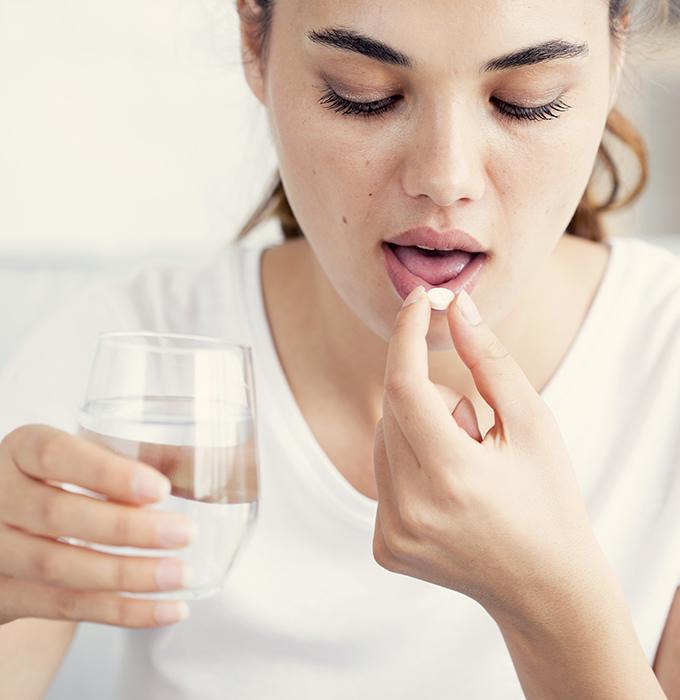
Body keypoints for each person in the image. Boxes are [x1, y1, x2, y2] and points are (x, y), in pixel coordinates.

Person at [0, 0, 679, 697]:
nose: (445, 179)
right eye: (364, 94)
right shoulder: (124, 370)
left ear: (616, 51)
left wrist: (549, 602)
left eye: (524, 102)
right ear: (253, 44)